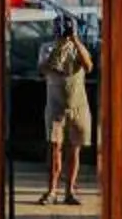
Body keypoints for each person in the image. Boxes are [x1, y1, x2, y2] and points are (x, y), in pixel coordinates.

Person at [39, 14, 95, 205]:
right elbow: (43, 69)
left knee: (74, 150)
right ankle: (52, 191)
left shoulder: (79, 48)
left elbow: (88, 66)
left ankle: (70, 191)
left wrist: (75, 40)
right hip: (55, 107)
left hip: (78, 107)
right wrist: (59, 45)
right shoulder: (47, 47)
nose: (63, 32)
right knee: (54, 149)